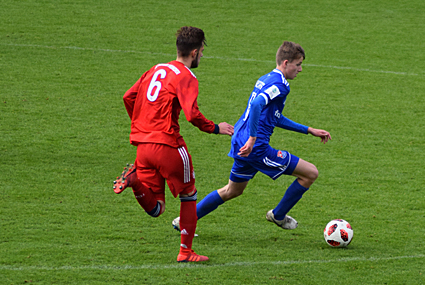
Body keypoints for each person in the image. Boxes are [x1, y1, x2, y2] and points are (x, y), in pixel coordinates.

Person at [172, 41, 331, 231]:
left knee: (232, 190)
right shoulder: (281, 85)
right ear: (286, 62)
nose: (300, 69)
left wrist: (308, 129)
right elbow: (256, 105)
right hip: (255, 148)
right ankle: (278, 215)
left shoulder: (266, 78)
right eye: (298, 64)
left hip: (240, 141)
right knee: (310, 173)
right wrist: (253, 139)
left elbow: (274, 117)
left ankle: (185, 220)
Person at [112, 26, 234, 263]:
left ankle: (135, 181)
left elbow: (128, 97)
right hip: (168, 145)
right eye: (202, 54)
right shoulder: (186, 76)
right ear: (195, 52)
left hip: (143, 147)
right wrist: (215, 127)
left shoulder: (155, 69)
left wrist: (141, 124)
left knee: (157, 208)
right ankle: (185, 252)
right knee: (189, 195)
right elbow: (192, 115)